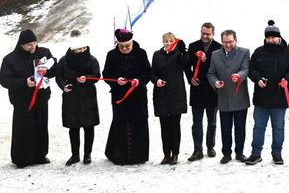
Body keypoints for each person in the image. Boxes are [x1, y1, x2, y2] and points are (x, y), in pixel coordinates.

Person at [246, 20, 289, 165]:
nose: (270, 40)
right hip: (261, 98)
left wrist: (287, 79)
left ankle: (277, 153)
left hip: (279, 98)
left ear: (279, 37)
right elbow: (251, 70)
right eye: (268, 37)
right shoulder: (259, 52)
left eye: (273, 37)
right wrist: (257, 79)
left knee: (278, 128)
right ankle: (255, 153)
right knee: (258, 127)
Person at [0, 29, 57, 167]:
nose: (33, 47)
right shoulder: (10, 59)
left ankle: (41, 155)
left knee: (41, 127)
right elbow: (4, 80)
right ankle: (22, 159)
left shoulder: (44, 53)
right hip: (22, 102)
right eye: (29, 45)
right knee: (23, 130)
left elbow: (55, 69)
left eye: (35, 43)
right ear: (21, 44)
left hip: (42, 98)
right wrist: (24, 82)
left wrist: (48, 70)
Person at [103, 28, 151, 165]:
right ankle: (120, 156)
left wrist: (139, 81)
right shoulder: (111, 55)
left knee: (139, 123)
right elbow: (106, 74)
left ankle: (139, 156)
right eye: (121, 46)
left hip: (138, 96)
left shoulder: (141, 53)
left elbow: (147, 72)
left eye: (127, 46)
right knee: (120, 123)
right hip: (119, 96)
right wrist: (116, 80)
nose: (124, 48)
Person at [56, 29, 101, 166]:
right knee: (73, 127)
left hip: (87, 97)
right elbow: (59, 76)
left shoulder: (92, 59)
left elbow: (97, 75)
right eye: (78, 48)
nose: (81, 50)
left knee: (89, 126)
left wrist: (87, 79)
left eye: (83, 48)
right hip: (71, 97)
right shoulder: (64, 61)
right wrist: (64, 86)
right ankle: (75, 154)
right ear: (72, 48)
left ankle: (87, 154)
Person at [207, 30, 250, 164]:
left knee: (240, 128)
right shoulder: (215, 55)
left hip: (240, 97)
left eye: (230, 42)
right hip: (223, 97)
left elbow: (245, 69)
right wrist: (215, 83)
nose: (228, 45)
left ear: (235, 40)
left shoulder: (244, 52)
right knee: (225, 129)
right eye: (225, 42)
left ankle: (239, 152)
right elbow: (211, 73)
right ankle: (226, 153)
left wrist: (239, 76)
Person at [185, 22, 222, 161]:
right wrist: (190, 79)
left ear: (213, 33)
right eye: (203, 33)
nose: (205, 36)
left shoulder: (219, 48)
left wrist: (206, 60)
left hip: (213, 89)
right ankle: (197, 150)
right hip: (197, 88)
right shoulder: (193, 46)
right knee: (197, 122)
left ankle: (210, 146)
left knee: (212, 122)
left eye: (208, 33)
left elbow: (219, 68)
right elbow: (186, 66)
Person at [151, 32, 189, 165]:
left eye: (170, 41)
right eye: (166, 41)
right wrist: (157, 81)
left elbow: (186, 62)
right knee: (164, 127)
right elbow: (152, 73)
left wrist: (183, 51)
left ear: (174, 42)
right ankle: (166, 154)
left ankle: (175, 154)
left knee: (174, 125)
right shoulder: (157, 54)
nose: (168, 44)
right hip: (161, 94)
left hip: (176, 94)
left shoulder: (179, 54)